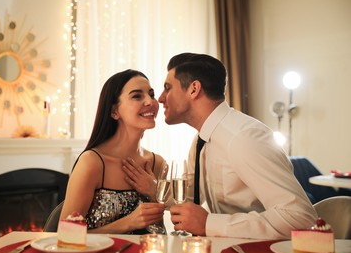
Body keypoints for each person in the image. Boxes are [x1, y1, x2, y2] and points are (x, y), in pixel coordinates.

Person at [140, 52, 316, 239]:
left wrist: (209, 224)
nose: (160, 98)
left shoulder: (244, 138)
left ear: (194, 89)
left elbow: (301, 218)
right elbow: (189, 198)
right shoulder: (201, 139)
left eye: (168, 88)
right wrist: (155, 190)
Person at [60, 69, 166, 234]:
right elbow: (66, 235)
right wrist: (128, 223)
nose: (150, 101)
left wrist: (155, 193)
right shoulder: (92, 162)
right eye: (137, 96)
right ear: (114, 111)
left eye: (151, 94)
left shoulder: (157, 164)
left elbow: (160, 233)